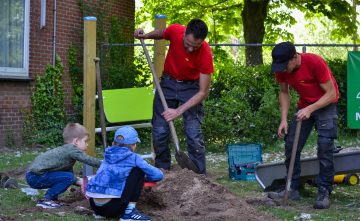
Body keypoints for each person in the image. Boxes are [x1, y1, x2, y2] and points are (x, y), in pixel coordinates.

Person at [134, 18, 214, 174]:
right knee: (159, 130)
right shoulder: (176, 31)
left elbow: (203, 92)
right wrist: (146, 36)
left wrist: (178, 111)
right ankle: (162, 170)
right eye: (188, 44)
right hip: (168, 83)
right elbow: (162, 33)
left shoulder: (205, 53)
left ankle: (199, 175)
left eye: (195, 46)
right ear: (184, 34)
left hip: (191, 88)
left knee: (193, 132)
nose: (191, 49)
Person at [267, 42, 339, 209]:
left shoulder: (314, 62)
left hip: (326, 105)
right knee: (291, 144)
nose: (282, 70)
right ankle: (292, 188)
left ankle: (324, 190)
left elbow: (331, 94)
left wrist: (311, 108)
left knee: (324, 145)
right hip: (305, 105)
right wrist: (283, 119)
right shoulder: (283, 69)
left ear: (294, 57)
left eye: (285, 65)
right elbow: (284, 92)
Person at [86, 126, 163, 221]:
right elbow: (158, 175)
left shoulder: (107, 154)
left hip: (95, 206)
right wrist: (144, 179)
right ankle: (129, 213)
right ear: (134, 145)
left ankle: (101, 214)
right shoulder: (133, 157)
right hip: (112, 208)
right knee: (138, 171)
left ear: (113, 143)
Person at [26, 123, 102, 209]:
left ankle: (52, 199)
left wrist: (78, 181)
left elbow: (66, 173)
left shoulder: (66, 151)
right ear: (76, 141)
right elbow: (87, 159)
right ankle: (46, 200)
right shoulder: (72, 150)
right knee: (69, 177)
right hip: (36, 176)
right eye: (85, 141)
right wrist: (104, 164)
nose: (87, 144)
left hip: (33, 175)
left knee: (68, 176)